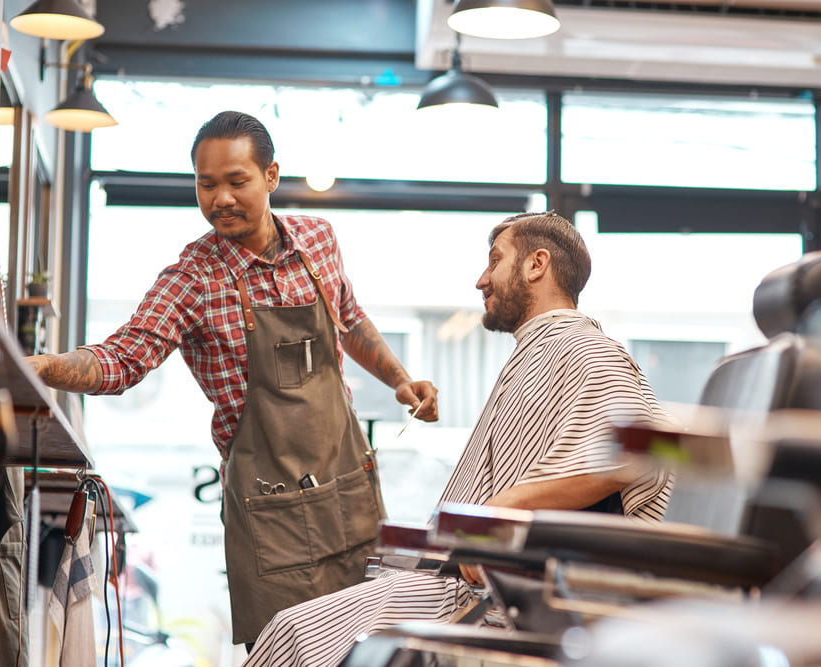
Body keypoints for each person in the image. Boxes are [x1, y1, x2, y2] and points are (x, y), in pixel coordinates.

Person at [25, 110, 439, 647]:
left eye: (236, 181)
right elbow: (125, 359)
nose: (220, 198)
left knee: (366, 649)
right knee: (289, 654)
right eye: (206, 184)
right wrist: (44, 367)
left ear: (270, 176)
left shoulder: (319, 240)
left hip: (347, 496)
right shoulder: (194, 277)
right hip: (271, 518)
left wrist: (400, 380)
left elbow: (350, 317)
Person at [242, 211, 677, 667]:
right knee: (293, 633)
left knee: (296, 636)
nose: (481, 280)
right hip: (463, 581)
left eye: (494, 261)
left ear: (537, 265)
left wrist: (500, 509)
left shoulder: (582, 347)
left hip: (500, 599)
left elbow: (636, 453)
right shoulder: (537, 352)